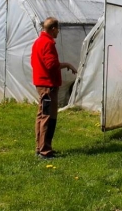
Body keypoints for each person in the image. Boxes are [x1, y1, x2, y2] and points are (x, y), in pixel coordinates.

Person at [31, 17, 77, 159]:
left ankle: (41, 147)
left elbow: (33, 62)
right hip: (48, 86)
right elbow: (51, 65)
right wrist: (67, 65)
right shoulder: (48, 43)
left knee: (41, 116)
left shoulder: (38, 42)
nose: (58, 31)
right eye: (58, 29)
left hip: (42, 84)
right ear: (53, 29)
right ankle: (45, 151)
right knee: (47, 117)